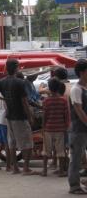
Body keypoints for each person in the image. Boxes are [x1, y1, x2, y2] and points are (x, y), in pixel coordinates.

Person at [0, 58, 36, 175]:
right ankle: (26, 169)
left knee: (11, 143)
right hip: (20, 117)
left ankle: (15, 168)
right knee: (27, 144)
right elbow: (24, 102)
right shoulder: (20, 82)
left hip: (9, 117)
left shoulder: (2, 81)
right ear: (16, 68)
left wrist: (3, 98)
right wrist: (30, 117)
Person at [40, 77, 69, 177]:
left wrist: (43, 127)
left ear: (50, 88)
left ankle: (44, 171)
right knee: (60, 150)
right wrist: (66, 127)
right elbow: (66, 115)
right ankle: (61, 171)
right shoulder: (63, 101)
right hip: (60, 129)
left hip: (48, 128)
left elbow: (45, 115)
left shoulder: (46, 101)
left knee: (46, 150)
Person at [68, 59, 87, 194]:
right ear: (82, 72)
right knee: (76, 159)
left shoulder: (85, 88)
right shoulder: (76, 89)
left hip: (84, 129)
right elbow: (79, 111)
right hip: (79, 129)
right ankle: (74, 186)